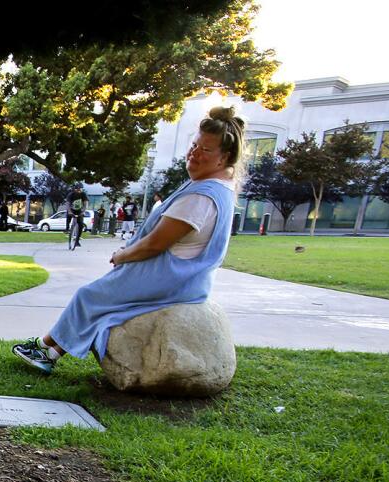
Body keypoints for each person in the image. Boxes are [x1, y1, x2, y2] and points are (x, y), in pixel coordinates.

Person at [13, 107, 245, 374]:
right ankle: (50, 349)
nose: (194, 153)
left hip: (171, 278)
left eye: (205, 149)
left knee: (89, 296)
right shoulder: (219, 190)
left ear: (223, 158)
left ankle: (47, 351)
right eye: (194, 145)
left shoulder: (201, 198)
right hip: (187, 280)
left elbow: (154, 244)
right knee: (98, 302)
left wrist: (122, 255)